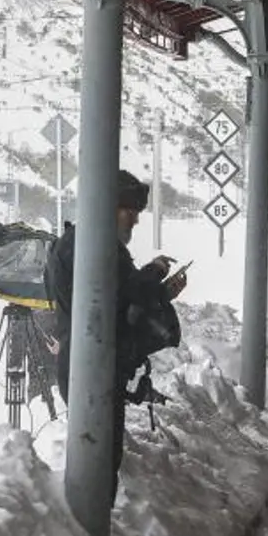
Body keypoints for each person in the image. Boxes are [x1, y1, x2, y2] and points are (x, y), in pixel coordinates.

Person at [43, 168, 188, 484]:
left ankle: (91, 528)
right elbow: (114, 297)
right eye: (130, 211)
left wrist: (160, 290)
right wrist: (153, 273)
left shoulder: (84, 243)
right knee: (98, 466)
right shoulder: (88, 248)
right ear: (109, 208)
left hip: (95, 364)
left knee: (104, 461)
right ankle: (87, 530)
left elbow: (118, 301)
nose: (135, 220)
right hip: (89, 366)